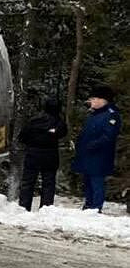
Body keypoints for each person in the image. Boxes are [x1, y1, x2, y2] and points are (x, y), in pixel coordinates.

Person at [71, 84, 121, 212]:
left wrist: (94, 145)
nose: (91, 102)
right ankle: (88, 204)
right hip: (88, 154)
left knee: (97, 182)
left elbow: (108, 135)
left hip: (100, 155)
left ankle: (96, 207)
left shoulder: (111, 115)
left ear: (102, 100)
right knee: (87, 181)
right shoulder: (94, 114)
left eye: (93, 99)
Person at [16, 97, 67, 211]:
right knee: (49, 182)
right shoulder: (59, 122)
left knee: (28, 182)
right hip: (50, 155)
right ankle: (46, 207)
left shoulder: (34, 120)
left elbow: (22, 136)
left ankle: (24, 206)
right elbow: (63, 133)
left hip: (33, 153)